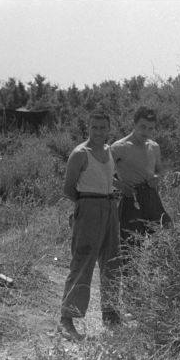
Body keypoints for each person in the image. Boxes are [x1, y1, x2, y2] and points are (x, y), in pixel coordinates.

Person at [58, 112, 122, 341]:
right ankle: (67, 319)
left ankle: (111, 313)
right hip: (89, 208)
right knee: (82, 262)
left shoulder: (108, 151)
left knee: (112, 261)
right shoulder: (79, 154)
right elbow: (68, 188)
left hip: (110, 207)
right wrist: (85, 206)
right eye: (94, 127)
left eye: (102, 127)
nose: (98, 131)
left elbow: (108, 178)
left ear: (108, 129)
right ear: (88, 128)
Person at [111, 106, 171, 245]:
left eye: (151, 128)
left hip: (151, 196)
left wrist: (157, 177)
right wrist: (120, 186)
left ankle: (155, 266)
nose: (146, 131)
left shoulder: (154, 146)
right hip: (131, 198)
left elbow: (159, 169)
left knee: (164, 236)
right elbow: (103, 171)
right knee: (130, 243)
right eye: (143, 127)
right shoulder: (120, 147)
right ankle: (130, 267)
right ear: (134, 124)